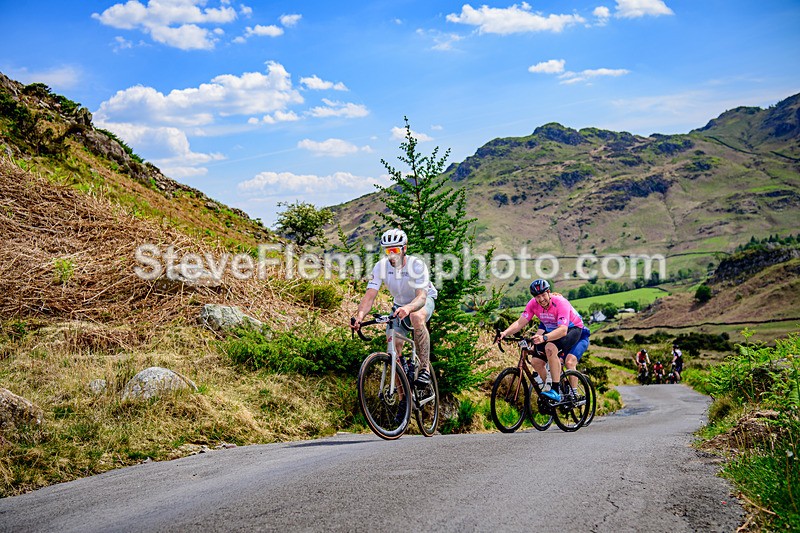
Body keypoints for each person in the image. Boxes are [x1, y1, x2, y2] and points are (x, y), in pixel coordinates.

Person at [350, 228, 437, 386]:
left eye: (395, 250)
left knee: (416, 317)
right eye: (388, 251)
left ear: (404, 249)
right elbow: (369, 296)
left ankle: (424, 369)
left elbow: (421, 297)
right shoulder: (381, 267)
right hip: (399, 306)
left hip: (422, 301)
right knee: (393, 347)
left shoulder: (416, 265)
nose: (392, 255)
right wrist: (360, 316)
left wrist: (408, 308)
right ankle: (404, 397)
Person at [496, 279, 590, 402]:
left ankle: (556, 391)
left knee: (550, 348)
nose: (541, 299)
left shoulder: (561, 302)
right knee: (536, 362)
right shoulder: (532, 304)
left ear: (549, 292)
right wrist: (504, 333)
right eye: (537, 297)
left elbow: (562, 330)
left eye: (543, 295)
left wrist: (544, 337)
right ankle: (551, 388)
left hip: (572, 329)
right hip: (553, 331)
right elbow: (520, 322)